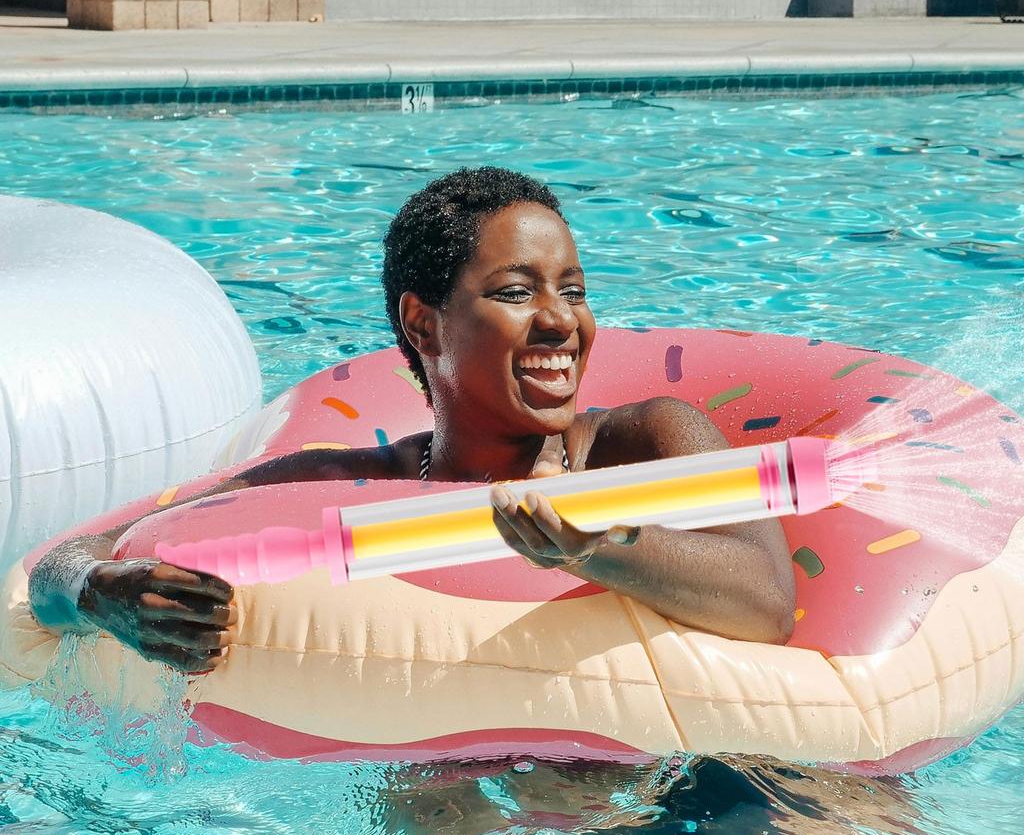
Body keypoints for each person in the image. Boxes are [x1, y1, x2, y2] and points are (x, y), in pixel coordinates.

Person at [28, 167, 795, 674]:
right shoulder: (353, 484)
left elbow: (766, 603)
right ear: (424, 325)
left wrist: (596, 543)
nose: (563, 321)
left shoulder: (645, 444)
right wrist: (102, 591)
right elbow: (67, 560)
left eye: (574, 290)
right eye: (517, 292)